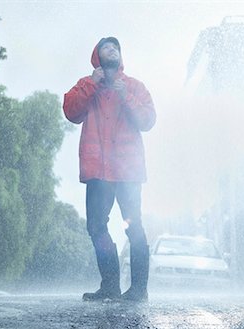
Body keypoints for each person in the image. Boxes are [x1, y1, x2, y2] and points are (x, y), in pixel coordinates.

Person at [63, 37, 156, 302]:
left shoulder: (135, 87)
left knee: (134, 226)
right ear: (97, 56)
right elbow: (71, 112)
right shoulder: (86, 84)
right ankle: (111, 286)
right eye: (106, 46)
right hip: (98, 170)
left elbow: (148, 120)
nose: (112, 49)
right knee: (96, 226)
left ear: (120, 55)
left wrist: (126, 97)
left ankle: (139, 290)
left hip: (128, 170)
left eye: (115, 46)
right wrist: (92, 84)